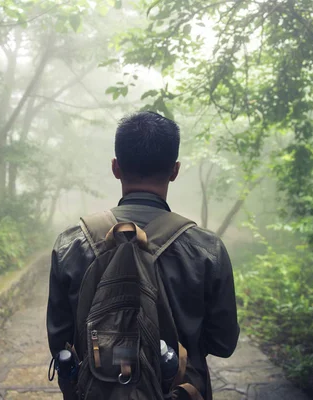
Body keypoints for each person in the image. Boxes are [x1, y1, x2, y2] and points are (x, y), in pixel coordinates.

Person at [46, 111, 240, 398]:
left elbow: (59, 342)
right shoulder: (206, 250)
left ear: (116, 168)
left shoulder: (71, 244)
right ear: (174, 171)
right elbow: (223, 344)